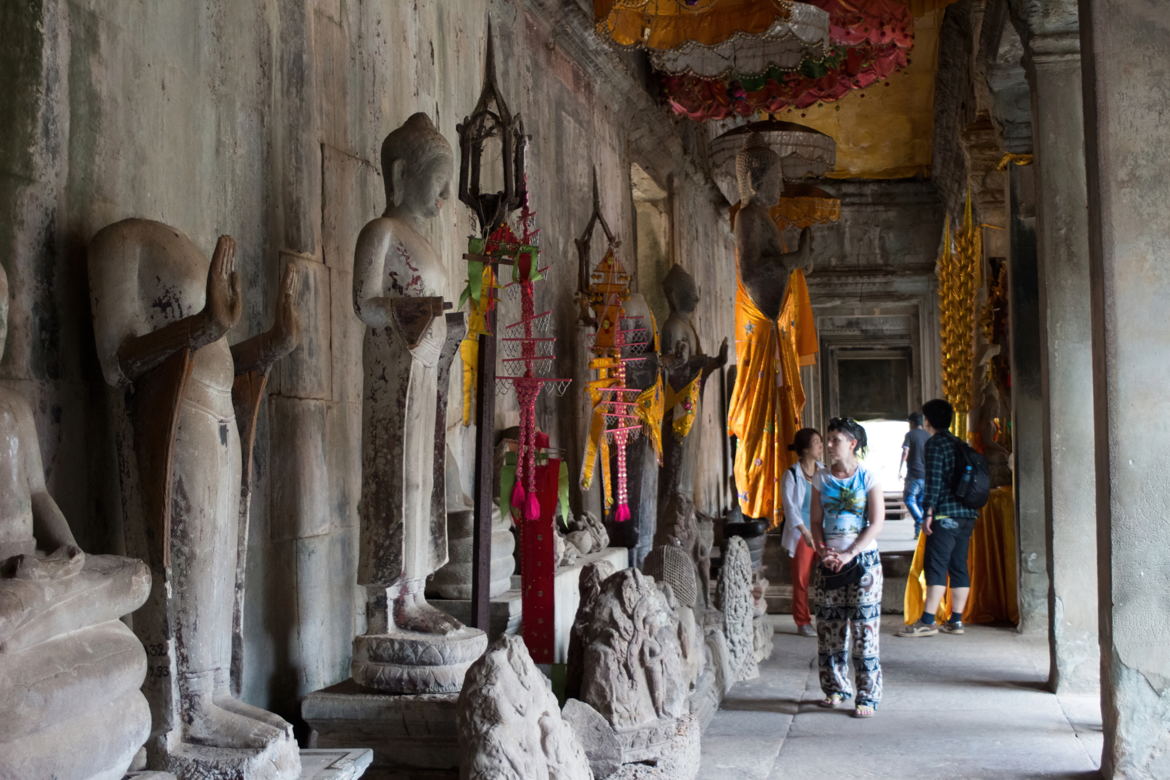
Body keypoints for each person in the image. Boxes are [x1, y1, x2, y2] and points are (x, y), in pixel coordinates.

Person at [810, 417, 885, 718]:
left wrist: (851, 552)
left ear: (852, 444)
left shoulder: (868, 476)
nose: (828, 445)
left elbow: (876, 522)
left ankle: (867, 695)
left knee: (864, 629)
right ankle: (836, 688)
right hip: (829, 561)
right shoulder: (821, 478)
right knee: (830, 628)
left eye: (835, 440)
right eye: (827, 439)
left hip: (863, 562)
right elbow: (815, 521)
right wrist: (823, 550)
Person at [896, 399, 978, 638]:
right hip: (966, 514)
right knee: (959, 565)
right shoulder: (959, 443)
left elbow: (934, 481)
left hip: (944, 515)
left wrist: (927, 513)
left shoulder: (936, 445)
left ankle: (928, 621)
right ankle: (956, 620)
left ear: (928, 420)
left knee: (937, 565)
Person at [780, 427, 824, 637]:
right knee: (802, 579)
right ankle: (803, 621)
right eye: (816, 442)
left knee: (827, 578)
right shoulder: (791, 475)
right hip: (801, 535)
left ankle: (826, 618)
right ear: (805, 449)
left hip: (823, 532)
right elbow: (790, 508)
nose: (821, 446)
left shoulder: (824, 472)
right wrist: (806, 533)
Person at [899, 412, 931, 538]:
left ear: (912, 423)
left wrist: (900, 469)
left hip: (914, 473)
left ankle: (920, 521)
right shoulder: (928, 435)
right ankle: (919, 533)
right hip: (926, 475)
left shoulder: (910, 434)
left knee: (908, 499)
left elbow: (905, 452)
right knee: (920, 502)